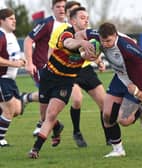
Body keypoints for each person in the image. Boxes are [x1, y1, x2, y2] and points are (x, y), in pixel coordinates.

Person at [75, 22, 142, 157]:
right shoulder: (96, 35)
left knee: (124, 120)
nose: (105, 44)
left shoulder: (126, 46)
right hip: (120, 78)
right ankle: (118, 150)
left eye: (108, 41)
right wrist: (84, 46)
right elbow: (79, 34)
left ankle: (141, 109)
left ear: (115, 35)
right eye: (103, 41)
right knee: (106, 114)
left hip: (136, 82)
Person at [28, 6, 97, 159]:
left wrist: (95, 58)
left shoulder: (90, 38)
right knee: (45, 115)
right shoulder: (66, 32)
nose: (86, 20)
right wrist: (82, 44)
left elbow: (85, 56)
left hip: (66, 81)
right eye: (82, 17)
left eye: (87, 18)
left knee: (51, 114)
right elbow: (69, 44)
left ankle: (35, 149)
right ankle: (57, 128)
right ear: (72, 20)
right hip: (49, 77)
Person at [49, 1, 113, 148]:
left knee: (104, 102)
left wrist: (99, 61)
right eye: (78, 14)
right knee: (77, 100)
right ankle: (77, 132)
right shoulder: (61, 30)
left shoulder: (88, 31)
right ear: (71, 17)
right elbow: (52, 51)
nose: (84, 19)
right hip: (69, 70)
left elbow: (93, 49)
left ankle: (110, 137)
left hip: (86, 70)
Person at [24, 0, 67, 146]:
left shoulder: (70, 26)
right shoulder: (47, 24)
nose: (61, 9)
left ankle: (55, 127)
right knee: (45, 113)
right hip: (43, 69)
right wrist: (29, 63)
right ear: (52, 8)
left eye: (64, 6)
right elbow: (29, 40)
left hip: (61, 71)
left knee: (49, 109)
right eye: (58, 7)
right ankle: (55, 127)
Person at [0, 8, 26, 146]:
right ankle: (0, 140)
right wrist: (14, 63)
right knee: (9, 110)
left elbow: (13, 55)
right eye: (10, 18)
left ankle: (27, 97)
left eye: (14, 18)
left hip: (10, 80)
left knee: (16, 110)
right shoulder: (1, 35)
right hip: (2, 78)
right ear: (1, 21)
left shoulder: (12, 36)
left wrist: (21, 60)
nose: (14, 20)